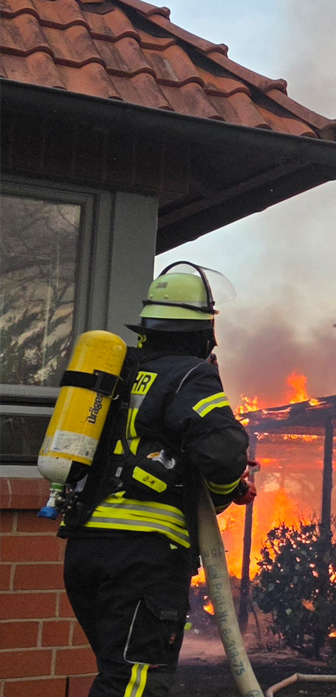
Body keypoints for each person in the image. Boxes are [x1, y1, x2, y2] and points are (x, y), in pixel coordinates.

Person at [59, 262, 255, 697]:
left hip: (86, 550)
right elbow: (223, 454)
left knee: (118, 676)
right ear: (202, 330)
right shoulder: (189, 374)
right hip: (144, 555)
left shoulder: (116, 372)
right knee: (136, 685)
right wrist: (230, 491)